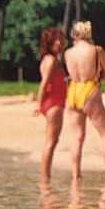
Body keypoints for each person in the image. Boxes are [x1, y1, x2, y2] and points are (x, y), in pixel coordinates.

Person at [63, 21, 105, 183]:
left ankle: (75, 176)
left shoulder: (67, 53)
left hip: (73, 90)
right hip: (90, 89)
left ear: (74, 35)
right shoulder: (96, 50)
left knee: (77, 137)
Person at [34, 27, 67, 182]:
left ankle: (45, 177)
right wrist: (38, 105)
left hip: (56, 102)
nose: (60, 43)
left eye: (61, 39)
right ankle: (45, 179)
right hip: (53, 103)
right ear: (49, 43)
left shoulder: (51, 59)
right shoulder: (51, 60)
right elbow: (44, 83)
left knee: (52, 141)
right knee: (51, 142)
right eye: (56, 41)